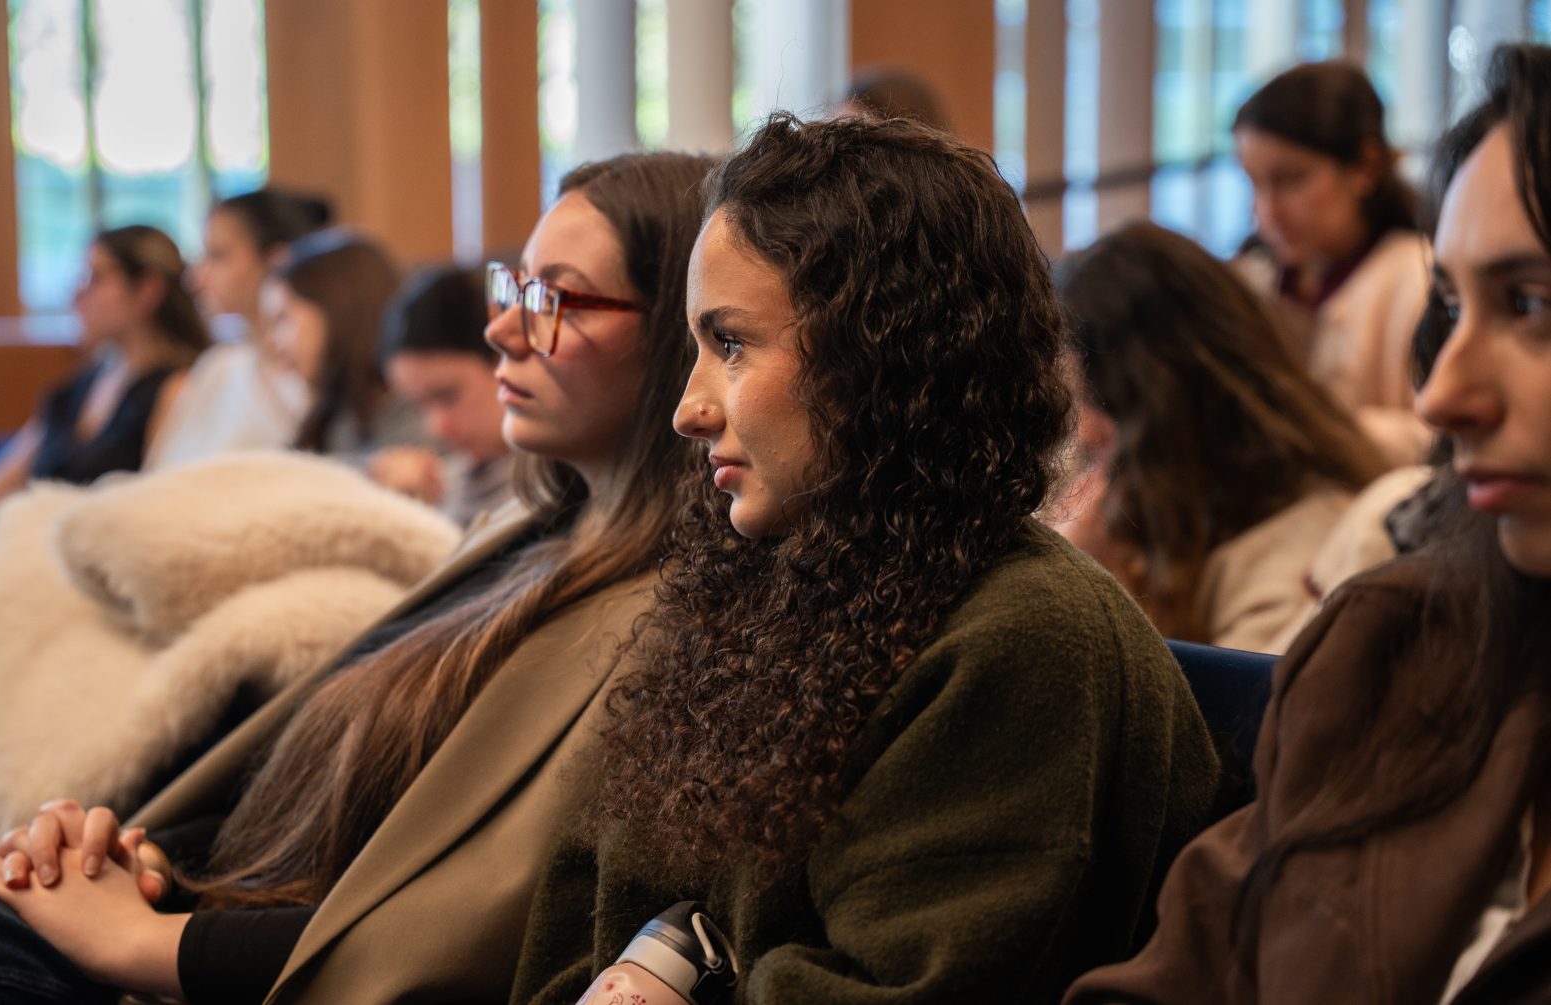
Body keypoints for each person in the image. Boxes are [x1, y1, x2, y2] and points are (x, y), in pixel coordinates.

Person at [0, 150, 718, 1005]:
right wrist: (134, 857)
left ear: (678, 334)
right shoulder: (522, 536)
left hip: (209, 970)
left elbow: (465, 936)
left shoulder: (661, 621)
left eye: (557, 298)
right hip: (189, 916)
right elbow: (310, 803)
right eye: (516, 285)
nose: (503, 327)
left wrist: (149, 940)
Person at [508, 114, 1223, 1004]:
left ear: (879, 354)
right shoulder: (770, 582)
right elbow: (582, 925)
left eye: (729, 343)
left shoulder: (1025, 639)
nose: (688, 407)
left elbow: (910, 986)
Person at [1066, 43, 1551, 1004]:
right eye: (1449, 308)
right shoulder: (1391, 650)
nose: (1442, 394)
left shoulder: (1321, 553)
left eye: (1529, 303)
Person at [1049, 221, 1389, 653]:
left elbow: (1228, 697)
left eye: (1093, 399)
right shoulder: (1173, 512)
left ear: (1163, 404)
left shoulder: (1293, 545)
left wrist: (1081, 587)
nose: (1082, 429)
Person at [0, 225, 208, 519]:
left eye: (95, 278)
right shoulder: (81, 385)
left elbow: (157, 510)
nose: (78, 294)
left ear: (148, 290)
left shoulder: (178, 389)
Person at [1232, 61, 1433, 466]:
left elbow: (1443, 442)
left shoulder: (1419, 278)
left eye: (1290, 179)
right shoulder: (1254, 279)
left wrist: (1309, 429)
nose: (1267, 212)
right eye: (1254, 183)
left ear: (1365, 166)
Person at [148, 188, 334, 470]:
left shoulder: (310, 377)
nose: (196, 276)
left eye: (217, 256)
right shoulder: (217, 368)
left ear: (275, 260)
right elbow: (161, 477)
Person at [373, 265, 515, 525]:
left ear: (503, 357)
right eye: (419, 406)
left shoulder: (563, 488)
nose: (436, 427)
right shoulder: (450, 482)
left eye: (447, 396)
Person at [256, 232, 405, 456]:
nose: (273, 344)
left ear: (336, 310)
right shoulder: (336, 420)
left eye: (283, 319)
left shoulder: (414, 419)